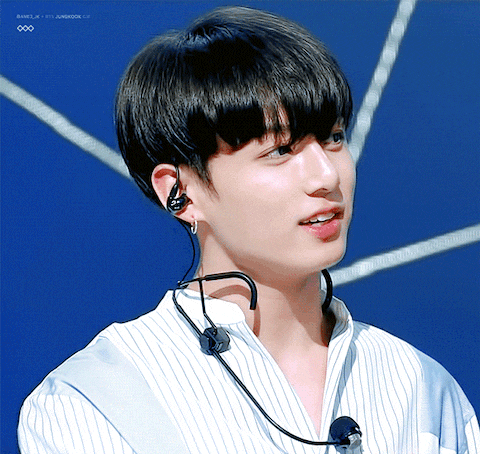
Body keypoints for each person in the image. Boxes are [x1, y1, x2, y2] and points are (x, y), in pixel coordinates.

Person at [18, 6, 479, 454]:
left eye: (334, 138)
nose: (326, 175)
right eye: (281, 150)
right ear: (181, 192)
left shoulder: (422, 389)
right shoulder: (95, 400)